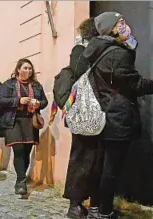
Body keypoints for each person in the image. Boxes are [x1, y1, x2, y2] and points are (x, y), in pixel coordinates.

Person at [80, 12, 153, 219]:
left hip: (102, 116)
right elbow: (135, 84)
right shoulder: (117, 53)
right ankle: (104, 212)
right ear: (113, 29)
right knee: (111, 169)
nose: (128, 27)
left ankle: (96, 208)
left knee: (101, 165)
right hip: (117, 117)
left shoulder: (98, 51)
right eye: (122, 23)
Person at [62, 17, 101, 219]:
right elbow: (78, 72)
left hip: (99, 112)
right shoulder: (81, 49)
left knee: (96, 160)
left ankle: (93, 203)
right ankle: (74, 204)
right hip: (85, 112)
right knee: (81, 158)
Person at [0, 58, 48, 195]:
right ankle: (21, 181)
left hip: (30, 121)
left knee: (26, 151)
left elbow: (45, 101)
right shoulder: (9, 84)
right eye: (25, 68)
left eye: (30, 68)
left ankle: (21, 177)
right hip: (14, 121)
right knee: (19, 149)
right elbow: (1, 100)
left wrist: (39, 103)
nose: (28, 71)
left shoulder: (36, 85)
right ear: (18, 69)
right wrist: (18, 100)